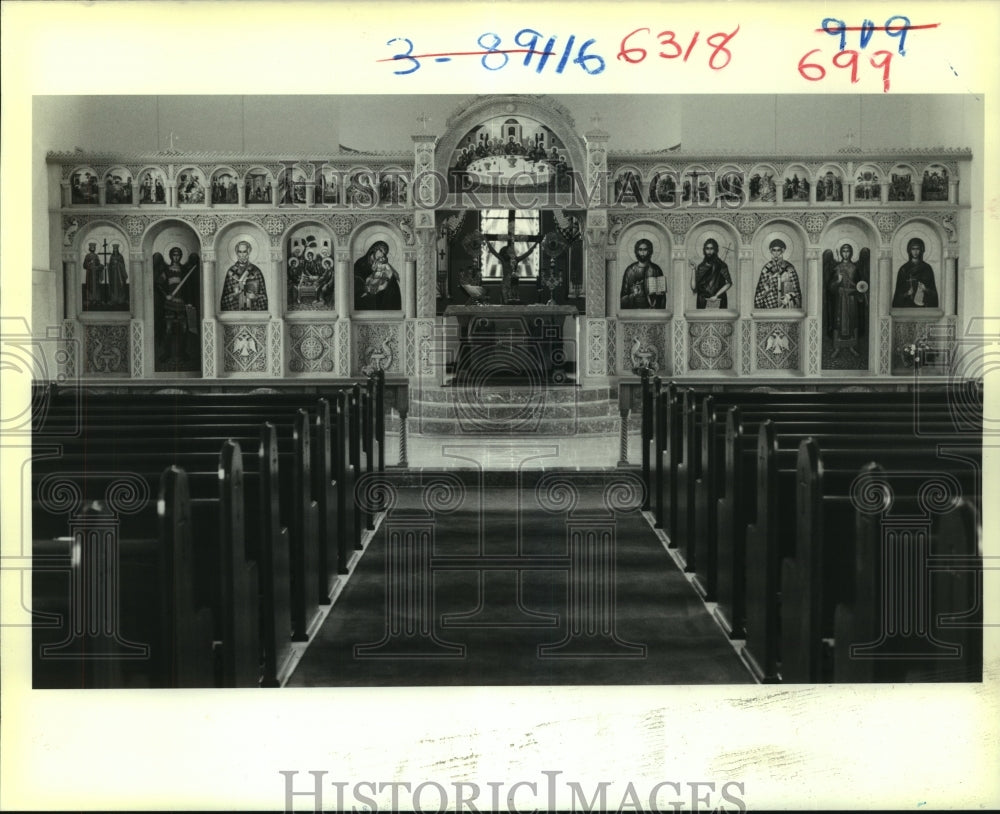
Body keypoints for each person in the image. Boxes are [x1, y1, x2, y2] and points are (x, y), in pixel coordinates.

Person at [153, 246, 200, 367]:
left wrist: (189, 301)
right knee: (168, 329)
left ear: (181, 256)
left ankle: (183, 353)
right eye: (174, 255)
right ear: (170, 256)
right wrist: (165, 296)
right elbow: (158, 284)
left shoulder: (185, 270)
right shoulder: (167, 270)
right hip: (169, 304)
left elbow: (189, 287)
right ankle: (167, 353)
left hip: (182, 304)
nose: (176, 257)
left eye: (178, 255)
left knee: (183, 329)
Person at [824, 244, 869, 358]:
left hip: (851, 299)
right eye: (843, 251)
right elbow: (830, 287)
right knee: (838, 322)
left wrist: (857, 289)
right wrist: (838, 281)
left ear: (851, 253)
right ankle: (837, 346)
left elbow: (860, 285)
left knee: (852, 321)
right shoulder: (836, 268)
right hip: (839, 301)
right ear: (841, 252)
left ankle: (852, 346)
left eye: (848, 251)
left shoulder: (855, 268)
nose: (845, 254)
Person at [485, 228, 541, 304]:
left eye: (512, 250)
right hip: (505, 284)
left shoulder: (516, 260)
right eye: (510, 250)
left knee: (514, 303)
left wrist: (536, 243)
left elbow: (528, 252)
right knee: (505, 304)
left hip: (514, 284)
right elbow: (493, 251)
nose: (512, 251)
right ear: (505, 253)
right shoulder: (503, 260)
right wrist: (486, 241)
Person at [220, 240, 269, 311]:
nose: (242, 255)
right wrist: (234, 296)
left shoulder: (256, 271)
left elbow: (264, 299)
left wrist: (255, 297)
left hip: (253, 313)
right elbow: (223, 301)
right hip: (235, 314)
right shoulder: (231, 272)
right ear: (237, 253)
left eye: (244, 252)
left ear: (248, 252)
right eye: (240, 252)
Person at [354, 240, 402, 310]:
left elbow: (392, 274)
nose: (382, 255)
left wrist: (388, 280)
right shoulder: (361, 263)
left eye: (384, 253)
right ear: (375, 249)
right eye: (381, 251)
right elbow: (357, 280)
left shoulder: (382, 262)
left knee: (392, 282)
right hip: (363, 292)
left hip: (378, 289)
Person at [754, 238, 801, 309]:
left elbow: (797, 293)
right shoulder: (766, 269)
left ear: (783, 251)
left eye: (778, 250)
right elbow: (758, 296)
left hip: (786, 308)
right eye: (774, 250)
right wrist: (766, 291)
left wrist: (788, 298)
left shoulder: (789, 268)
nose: (776, 253)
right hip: (769, 308)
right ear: (770, 251)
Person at [892, 237, 939, 308]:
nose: (915, 252)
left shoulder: (927, 268)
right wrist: (907, 294)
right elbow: (897, 296)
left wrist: (925, 289)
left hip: (923, 307)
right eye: (913, 249)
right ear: (909, 250)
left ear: (922, 250)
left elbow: (933, 294)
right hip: (907, 307)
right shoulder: (903, 269)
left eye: (918, 249)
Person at [620, 238, 666, 309]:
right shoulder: (630, 270)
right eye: (640, 250)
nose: (642, 253)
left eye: (645, 250)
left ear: (649, 251)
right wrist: (634, 295)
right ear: (636, 251)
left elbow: (662, 297)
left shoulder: (656, 269)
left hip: (652, 312)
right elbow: (622, 299)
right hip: (634, 313)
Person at [690, 238, 732, 309]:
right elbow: (694, 287)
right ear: (704, 250)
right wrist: (693, 270)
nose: (709, 251)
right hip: (702, 301)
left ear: (716, 250)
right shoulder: (701, 266)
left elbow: (728, 283)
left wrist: (716, 295)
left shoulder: (722, 265)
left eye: (711, 249)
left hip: (718, 299)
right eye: (707, 249)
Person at [82, 241, 104, 308]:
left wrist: (101, 266)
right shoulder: (87, 256)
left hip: (96, 274)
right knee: (91, 287)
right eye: (91, 247)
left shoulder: (96, 256)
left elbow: (98, 264)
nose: (93, 248)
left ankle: (96, 299)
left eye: (94, 247)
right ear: (89, 248)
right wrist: (89, 263)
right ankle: (90, 299)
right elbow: (84, 265)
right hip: (90, 274)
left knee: (96, 287)